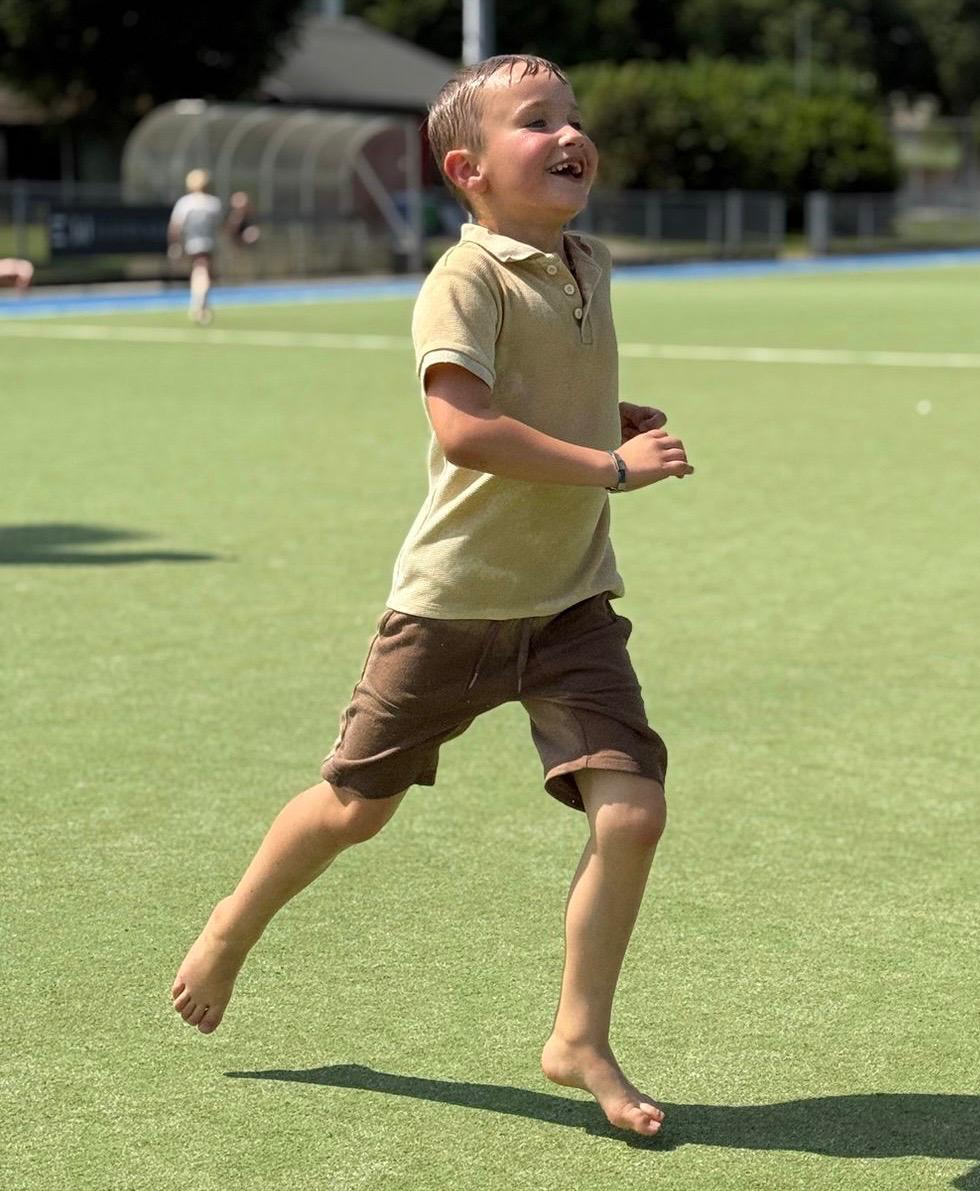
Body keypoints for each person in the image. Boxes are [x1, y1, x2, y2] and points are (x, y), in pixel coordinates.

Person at [170, 54, 694, 1138]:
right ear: (467, 169)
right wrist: (608, 469)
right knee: (357, 810)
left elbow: (550, 393)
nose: (568, 134)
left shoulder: (589, 259)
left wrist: (611, 418)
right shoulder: (463, 281)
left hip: (569, 604)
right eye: (535, 122)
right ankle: (231, 925)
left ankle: (578, 1035)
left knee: (633, 810)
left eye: (574, 116)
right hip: (452, 606)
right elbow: (463, 427)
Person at [168, 169, 222, 324]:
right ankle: (200, 302)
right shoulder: (213, 203)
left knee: (198, 270)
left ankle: (198, 302)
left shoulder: (185, 202)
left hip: (191, 242)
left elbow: (176, 226)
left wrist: (175, 245)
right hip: (207, 242)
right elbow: (219, 225)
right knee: (202, 270)